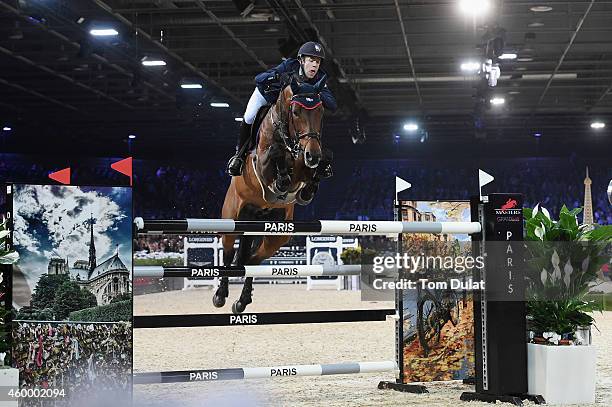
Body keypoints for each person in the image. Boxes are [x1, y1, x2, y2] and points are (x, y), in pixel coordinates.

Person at [227, 41, 337, 177]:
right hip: (266, 95)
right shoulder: (289, 65)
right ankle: (239, 156)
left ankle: (314, 159)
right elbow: (259, 79)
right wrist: (277, 76)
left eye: (318, 62)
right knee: (249, 116)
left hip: (288, 107)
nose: (315, 65)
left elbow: (332, 104)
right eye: (311, 60)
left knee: (311, 119)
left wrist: (316, 91)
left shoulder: (319, 78)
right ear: (301, 60)